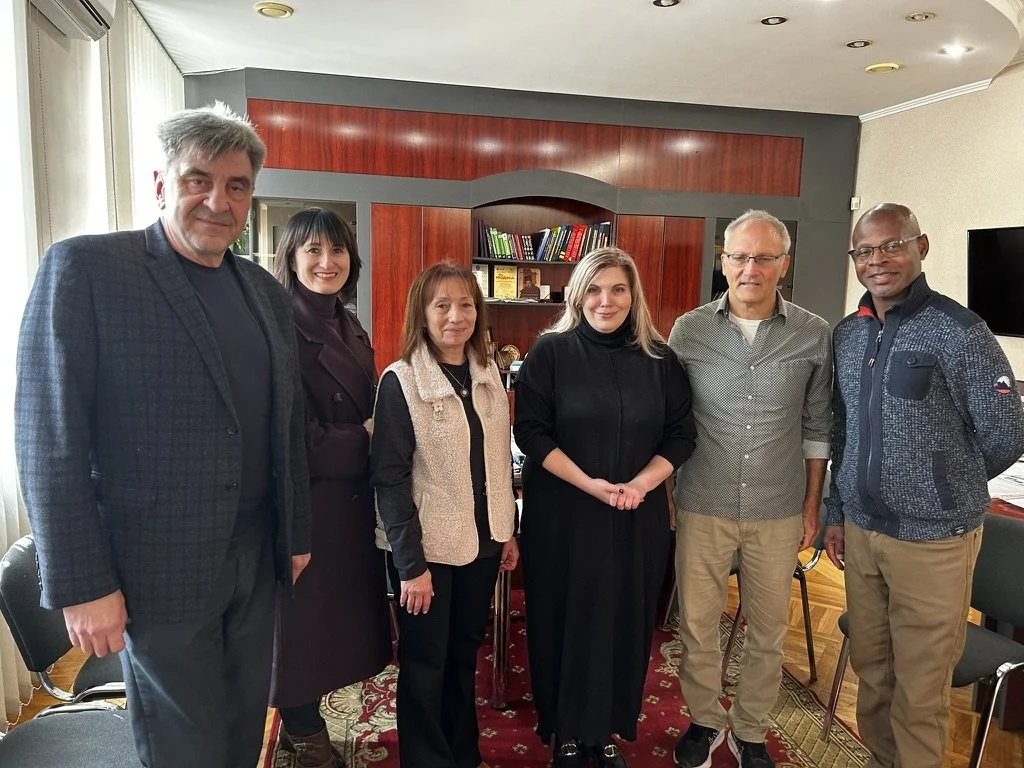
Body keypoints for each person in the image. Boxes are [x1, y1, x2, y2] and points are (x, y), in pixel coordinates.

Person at [14, 103, 311, 768]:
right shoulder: (87, 270)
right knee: (186, 747)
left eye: (236, 185)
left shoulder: (264, 292)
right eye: (197, 179)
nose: (217, 200)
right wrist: (82, 582)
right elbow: (48, 436)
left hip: (255, 557)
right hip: (156, 569)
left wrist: (296, 534)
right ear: (159, 184)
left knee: (240, 732)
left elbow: (283, 421)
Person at [823, 202, 1024, 768]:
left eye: (892, 245)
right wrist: (835, 513)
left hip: (933, 543)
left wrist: (941, 488)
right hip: (862, 535)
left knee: (920, 692)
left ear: (921, 246)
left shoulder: (961, 331)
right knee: (873, 674)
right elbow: (841, 432)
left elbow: (1006, 431)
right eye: (865, 251)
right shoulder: (848, 335)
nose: (878, 260)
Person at [513, 246, 696, 768]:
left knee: (623, 623)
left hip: (635, 517)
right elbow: (531, 432)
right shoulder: (550, 353)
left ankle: (604, 731)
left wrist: (640, 483)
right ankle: (565, 733)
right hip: (565, 516)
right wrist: (593, 486)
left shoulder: (661, 360)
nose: (606, 300)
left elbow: (683, 435)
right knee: (563, 619)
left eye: (617, 289)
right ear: (576, 294)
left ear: (633, 295)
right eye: (594, 289)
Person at [667, 210, 832, 768]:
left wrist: (813, 505)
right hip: (701, 501)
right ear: (723, 261)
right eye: (739, 256)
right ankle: (704, 719)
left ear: (784, 265)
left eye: (764, 257)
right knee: (697, 623)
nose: (750, 268)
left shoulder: (813, 333)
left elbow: (817, 429)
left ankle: (751, 728)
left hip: (778, 506)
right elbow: (671, 421)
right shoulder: (689, 330)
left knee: (767, 627)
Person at [370, 261, 520, 768]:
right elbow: (389, 482)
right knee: (425, 663)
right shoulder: (403, 380)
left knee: (463, 655)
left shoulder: (487, 375)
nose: (456, 316)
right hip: (427, 553)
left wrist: (509, 532)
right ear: (423, 313)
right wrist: (411, 567)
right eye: (443, 305)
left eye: (466, 305)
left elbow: (499, 461)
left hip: (483, 544)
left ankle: (463, 752)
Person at [269, 208, 392, 767]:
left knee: (332, 626)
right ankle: (303, 727)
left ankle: (307, 718)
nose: (327, 262)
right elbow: (288, 436)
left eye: (337, 250)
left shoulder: (348, 320)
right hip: (309, 503)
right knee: (302, 631)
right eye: (313, 251)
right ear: (291, 258)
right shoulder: (279, 327)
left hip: (350, 504)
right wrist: (368, 438)